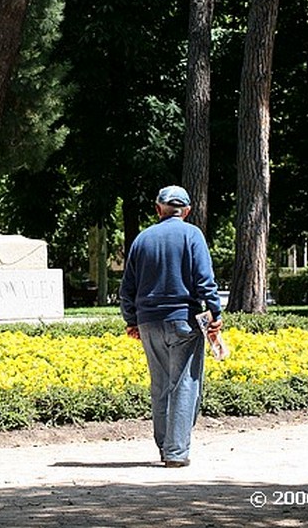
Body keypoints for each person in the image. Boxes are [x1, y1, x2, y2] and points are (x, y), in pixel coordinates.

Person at [119, 185, 222, 468]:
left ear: (158, 209)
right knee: (185, 384)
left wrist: (131, 320)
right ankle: (176, 452)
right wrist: (215, 312)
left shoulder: (142, 239)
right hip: (183, 321)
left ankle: (165, 447)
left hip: (149, 322)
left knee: (160, 385)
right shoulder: (192, 235)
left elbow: (127, 288)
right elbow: (204, 280)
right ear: (187, 211)